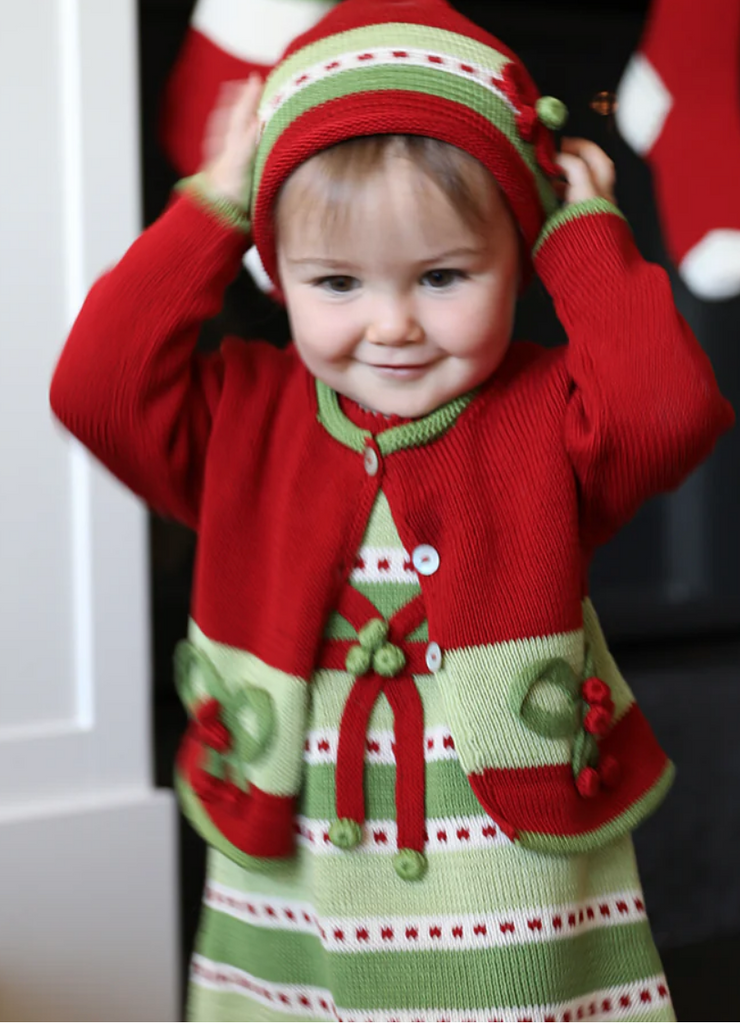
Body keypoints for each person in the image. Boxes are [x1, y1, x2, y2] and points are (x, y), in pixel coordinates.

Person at [50, 0, 734, 1020]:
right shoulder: (244, 410)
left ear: (518, 255)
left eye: (444, 275)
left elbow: (665, 415)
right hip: (295, 870)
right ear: (276, 277)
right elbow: (96, 389)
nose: (392, 325)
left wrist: (583, 238)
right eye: (336, 282)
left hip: (509, 883)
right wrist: (213, 206)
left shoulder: (543, 412)